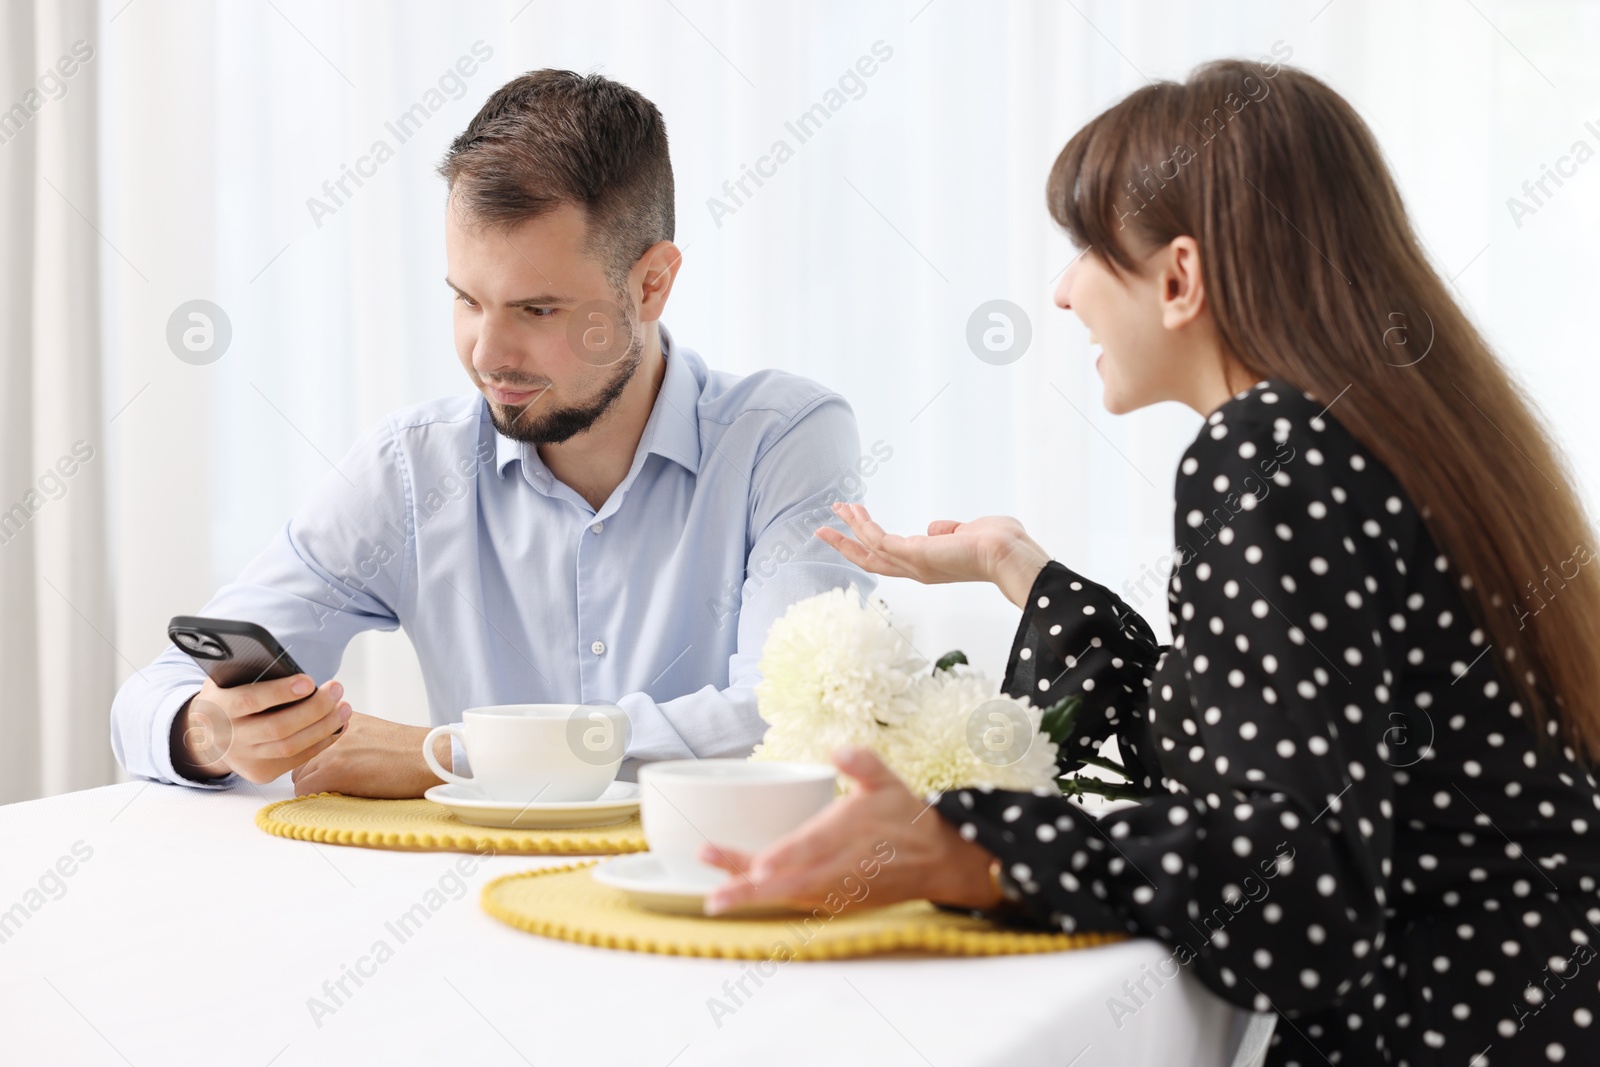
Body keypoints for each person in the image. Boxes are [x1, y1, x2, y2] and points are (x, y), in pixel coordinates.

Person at [699, 59, 1600, 1066]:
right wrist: (1018, 567)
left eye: (1086, 248)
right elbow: (1256, 755)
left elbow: (1298, 895)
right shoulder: (1386, 438)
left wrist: (979, 846)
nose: (1063, 289)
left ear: (1178, 279)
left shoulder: (1263, 455)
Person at [109, 70, 871, 797]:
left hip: (705, 911)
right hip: (470, 914)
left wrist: (449, 754)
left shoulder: (784, 441)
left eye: (537, 310)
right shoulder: (411, 471)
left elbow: (798, 722)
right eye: (467, 300)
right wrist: (209, 731)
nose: (486, 354)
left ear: (651, 284)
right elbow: (151, 697)